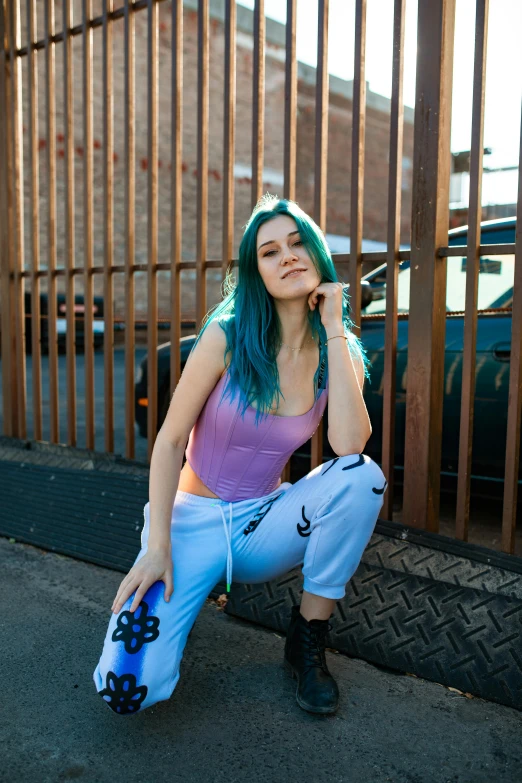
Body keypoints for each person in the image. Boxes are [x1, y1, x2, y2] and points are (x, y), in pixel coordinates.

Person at [93, 195, 387, 716]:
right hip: (189, 526)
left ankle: (307, 638)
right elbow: (167, 441)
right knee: (125, 689)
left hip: (262, 524)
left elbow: (349, 446)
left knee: (362, 477)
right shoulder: (226, 337)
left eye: (298, 244)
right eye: (270, 252)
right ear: (258, 272)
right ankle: (177, 602)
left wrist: (336, 327)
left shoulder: (336, 355)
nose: (288, 257)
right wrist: (157, 544)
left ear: (318, 255)